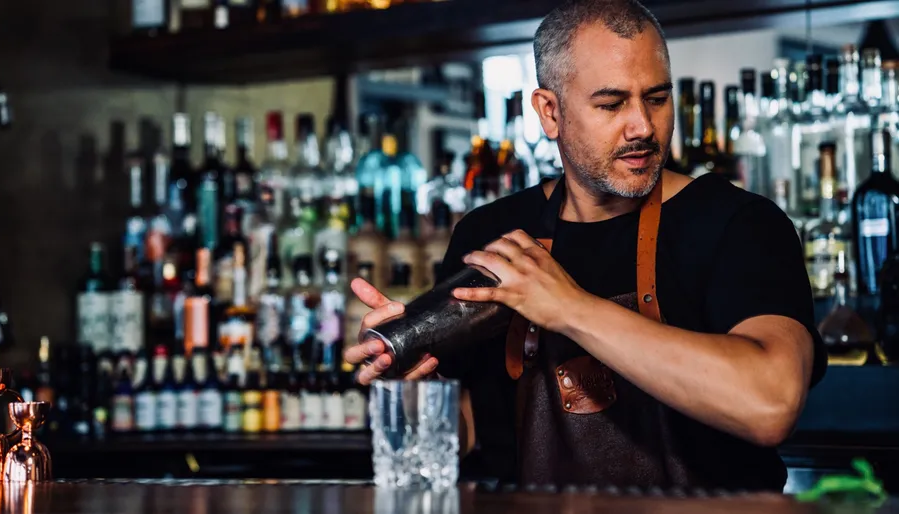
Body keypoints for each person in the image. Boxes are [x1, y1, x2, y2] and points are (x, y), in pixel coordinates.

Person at [345, 0, 825, 491]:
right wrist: (411, 392)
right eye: (611, 104)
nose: (642, 126)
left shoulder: (739, 225)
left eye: (657, 98)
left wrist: (570, 307)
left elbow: (771, 403)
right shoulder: (492, 235)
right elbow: (463, 436)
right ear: (550, 112)